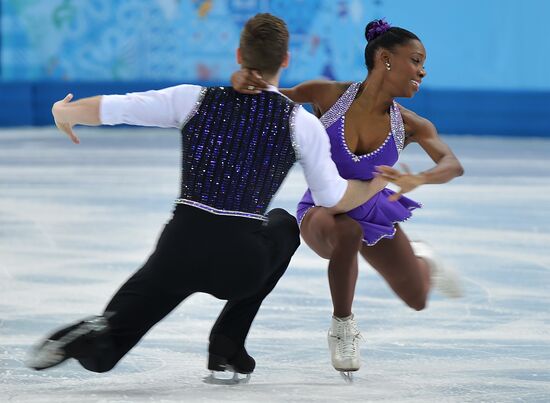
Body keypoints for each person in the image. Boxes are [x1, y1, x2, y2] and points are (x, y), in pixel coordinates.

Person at [25, 14, 387, 383]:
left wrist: (65, 111)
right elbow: (332, 198)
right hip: (241, 263)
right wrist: (375, 183)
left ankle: (92, 339)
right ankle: (227, 343)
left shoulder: (194, 100)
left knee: (105, 352)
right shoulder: (300, 122)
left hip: (177, 251)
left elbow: (119, 107)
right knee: (284, 225)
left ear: (238, 54)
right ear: (285, 60)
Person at [231, 18, 464, 375]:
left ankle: (423, 260)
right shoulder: (328, 96)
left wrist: (421, 177)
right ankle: (343, 327)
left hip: (376, 212)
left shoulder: (412, 124)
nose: (423, 70)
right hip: (322, 213)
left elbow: (451, 164)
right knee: (347, 232)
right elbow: (268, 100)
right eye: (416, 60)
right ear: (385, 58)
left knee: (417, 299)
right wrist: (243, 81)